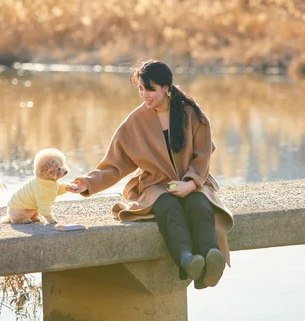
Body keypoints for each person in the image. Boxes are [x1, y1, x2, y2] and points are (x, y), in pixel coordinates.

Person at [67, 60, 234, 289]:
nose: (144, 95)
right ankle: (188, 260)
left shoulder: (193, 114)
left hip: (193, 182)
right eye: (140, 89)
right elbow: (115, 165)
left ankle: (211, 259)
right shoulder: (135, 122)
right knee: (168, 208)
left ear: (166, 88)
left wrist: (192, 183)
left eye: (150, 89)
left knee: (199, 206)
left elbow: (202, 155)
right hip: (156, 186)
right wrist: (86, 183)